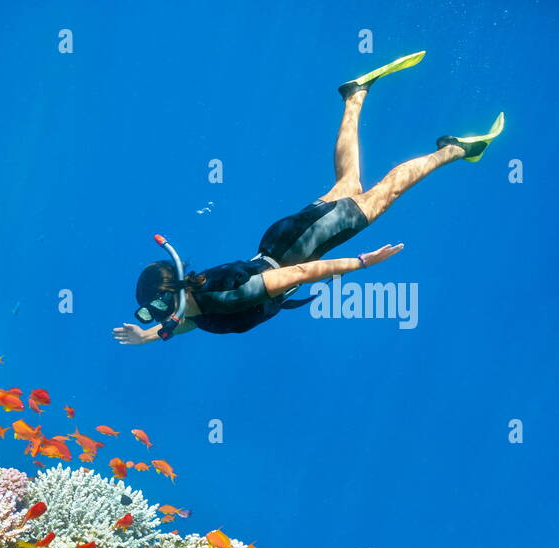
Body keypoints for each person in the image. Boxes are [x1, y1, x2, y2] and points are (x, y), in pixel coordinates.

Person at [114, 51, 503, 344]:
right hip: (285, 240)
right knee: (348, 183)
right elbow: (189, 321)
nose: (157, 317)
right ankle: (355, 95)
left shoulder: (230, 295)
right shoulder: (201, 304)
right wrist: (147, 338)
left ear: (174, 296)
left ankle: (453, 149)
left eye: (156, 309)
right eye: (150, 313)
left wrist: (364, 261)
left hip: (301, 246)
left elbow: (299, 274)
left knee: (385, 193)